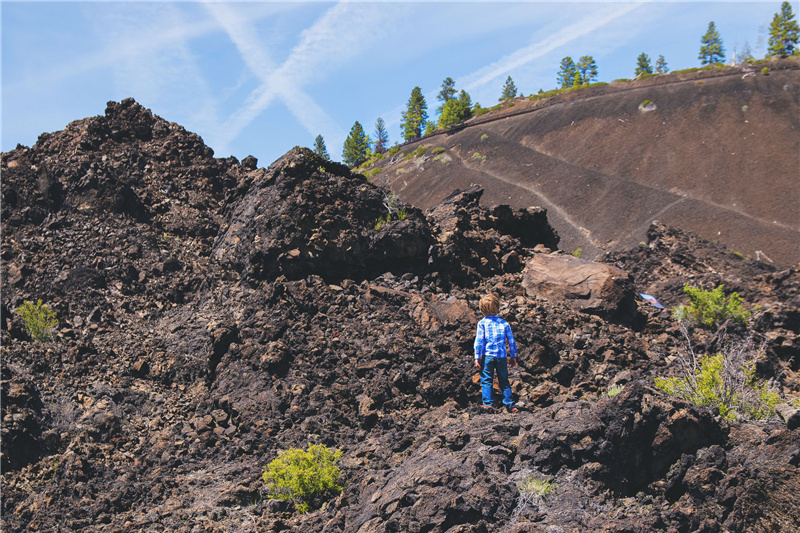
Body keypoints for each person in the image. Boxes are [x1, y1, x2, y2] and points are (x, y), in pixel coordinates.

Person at [474, 294, 518, 413]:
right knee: (504, 380)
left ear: (482, 309)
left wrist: (477, 357)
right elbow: (512, 342)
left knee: (487, 380)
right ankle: (510, 405)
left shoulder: (482, 324)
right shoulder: (504, 323)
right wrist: (513, 356)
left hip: (487, 356)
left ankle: (488, 404)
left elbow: (479, 342)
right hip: (501, 357)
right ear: (497, 307)